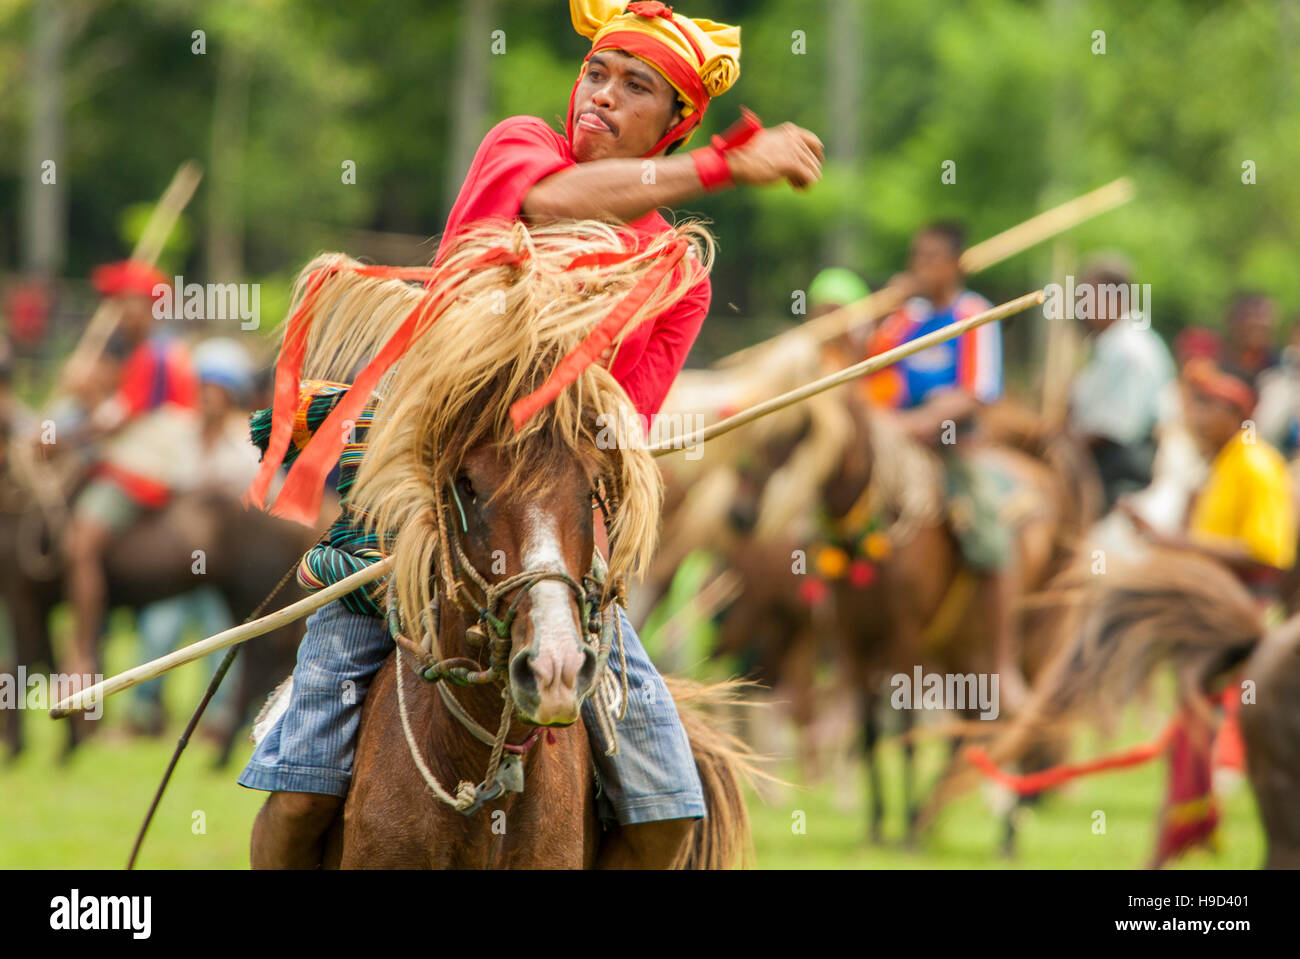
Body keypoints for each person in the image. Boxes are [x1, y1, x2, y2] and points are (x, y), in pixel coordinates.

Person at [241, 0, 824, 869]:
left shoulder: (677, 274)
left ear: (673, 122)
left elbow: (610, 425)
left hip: (552, 534)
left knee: (669, 810)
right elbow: (549, 206)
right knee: (297, 798)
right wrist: (723, 170)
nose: (600, 97)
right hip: (418, 519)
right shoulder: (523, 148)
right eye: (596, 73)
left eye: (635, 87)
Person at [1122, 358, 1295, 864]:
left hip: (1244, 616)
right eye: (1195, 410)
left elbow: (1269, 552)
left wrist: (1175, 542)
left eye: (1208, 411)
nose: (1197, 421)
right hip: (1215, 618)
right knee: (1190, 736)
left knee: (1202, 735)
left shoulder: (1257, 464)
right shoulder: (1222, 464)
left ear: (1235, 415)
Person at [859, 222, 1030, 710]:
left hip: (954, 447)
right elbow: (870, 370)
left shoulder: (972, 313)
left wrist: (918, 422)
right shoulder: (904, 319)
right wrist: (882, 311)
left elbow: (976, 390)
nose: (923, 266)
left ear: (957, 263)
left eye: (934, 257)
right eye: (917, 256)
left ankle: (1001, 664)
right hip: (894, 450)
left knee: (988, 531)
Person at [58, 260, 198, 679]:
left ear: (150, 309)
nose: (122, 314)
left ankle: (81, 651)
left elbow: (118, 421)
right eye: (119, 306)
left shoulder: (156, 355)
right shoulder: (142, 354)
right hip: (130, 459)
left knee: (81, 541)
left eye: (129, 305)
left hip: (144, 470)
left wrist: (63, 437)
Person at [129, 338, 261, 736]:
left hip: (221, 568)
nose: (208, 400)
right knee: (158, 632)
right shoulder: (176, 435)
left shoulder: (244, 444)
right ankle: (143, 715)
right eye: (203, 390)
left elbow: (258, 496)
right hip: (174, 565)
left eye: (217, 392)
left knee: (221, 638)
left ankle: (218, 721)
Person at [1068, 255, 1175, 510]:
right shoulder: (1107, 346)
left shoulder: (1130, 350)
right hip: (1100, 461)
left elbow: (1113, 429)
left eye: (1087, 298)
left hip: (1121, 471)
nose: (1080, 307)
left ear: (1115, 300)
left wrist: (1058, 447)